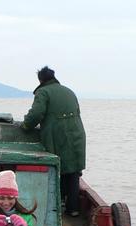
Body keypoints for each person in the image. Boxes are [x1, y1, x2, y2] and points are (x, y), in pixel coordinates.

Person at [21, 66, 86, 217]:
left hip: (58, 136)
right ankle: (73, 209)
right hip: (77, 134)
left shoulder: (43, 92)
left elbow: (36, 114)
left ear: (41, 80)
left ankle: (56, 207)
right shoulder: (69, 91)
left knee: (57, 169)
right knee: (73, 171)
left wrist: (25, 126)